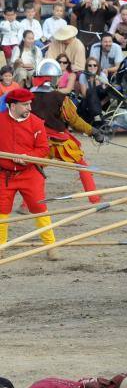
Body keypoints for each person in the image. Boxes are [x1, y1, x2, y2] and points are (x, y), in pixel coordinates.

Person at [30, 58, 105, 206]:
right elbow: (74, 120)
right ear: (52, 79)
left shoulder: (26, 97)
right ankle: (94, 199)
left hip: (37, 141)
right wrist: (93, 131)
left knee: (35, 170)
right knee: (82, 165)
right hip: (59, 141)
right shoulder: (60, 97)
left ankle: (28, 204)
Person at [0, 88, 56, 260]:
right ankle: (1, 246)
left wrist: (28, 157)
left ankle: (51, 246)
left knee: (40, 208)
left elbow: (43, 149)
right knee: (1, 210)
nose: (29, 108)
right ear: (13, 105)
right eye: (25, 105)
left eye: (30, 104)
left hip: (30, 174)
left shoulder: (37, 122)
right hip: (4, 175)